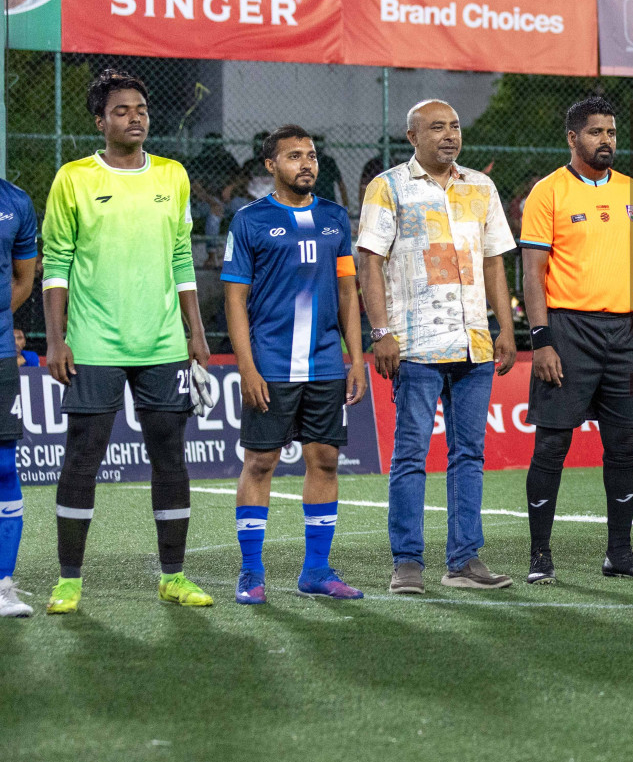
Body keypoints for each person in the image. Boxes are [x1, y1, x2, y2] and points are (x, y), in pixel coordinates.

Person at [41, 68, 213, 614]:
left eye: (140, 109)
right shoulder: (73, 178)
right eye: (121, 110)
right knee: (82, 459)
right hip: (92, 344)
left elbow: (182, 256)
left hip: (162, 344)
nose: (135, 117)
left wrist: (196, 332)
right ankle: (69, 580)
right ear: (100, 121)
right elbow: (56, 266)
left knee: (170, 458)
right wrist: (57, 338)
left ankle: (174, 576)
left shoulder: (173, 175)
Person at [357, 100, 518, 594]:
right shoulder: (388, 187)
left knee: (469, 454)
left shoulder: (481, 186)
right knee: (410, 455)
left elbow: (494, 262)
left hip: (473, 343)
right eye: (436, 127)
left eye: (454, 126)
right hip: (416, 344)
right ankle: (407, 562)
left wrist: (505, 327)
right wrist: (381, 332)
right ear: (412, 136)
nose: (449, 135)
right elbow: (369, 262)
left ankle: (464, 560)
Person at [520, 96, 633, 583]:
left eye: (611, 132)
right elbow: (533, 271)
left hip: (625, 334)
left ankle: (620, 554)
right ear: (573, 138)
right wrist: (541, 339)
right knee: (551, 445)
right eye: (596, 132)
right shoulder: (549, 192)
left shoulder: (632, 191)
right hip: (567, 331)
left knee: (624, 445)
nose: (606, 140)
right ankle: (540, 556)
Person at [223, 125, 371, 605]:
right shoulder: (250, 220)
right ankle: (250, 571)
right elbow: (235, 299)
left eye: (310, 156)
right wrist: (246, 366)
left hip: (327, 363)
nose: (306, 164)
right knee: (261, 463)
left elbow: (349, 291)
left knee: (325, 460)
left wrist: (356, 358)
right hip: (271, 364)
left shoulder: (334, 218)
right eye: (293, 157)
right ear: (271, 166)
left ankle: (316, 570)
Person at [0, 185, 38, 618]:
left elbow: (24, 279)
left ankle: (2, 586)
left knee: (4, 466)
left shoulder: (16, 201)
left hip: (0, 357)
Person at [312, 133, 350, 211]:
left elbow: (341, 185)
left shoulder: (329, 162)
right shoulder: (307, 162)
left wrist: (346, 207)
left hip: (327, 201)